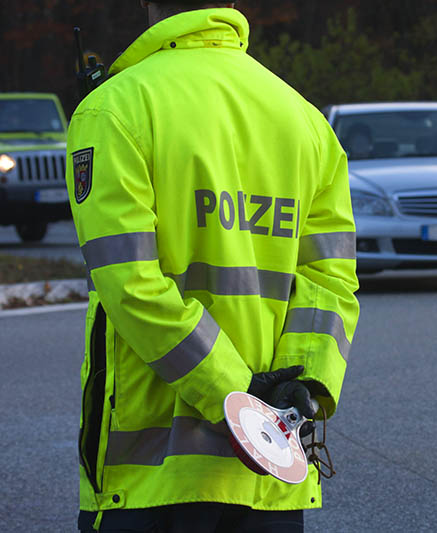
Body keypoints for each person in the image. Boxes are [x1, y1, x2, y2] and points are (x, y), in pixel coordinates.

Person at [67, 2, 359, 531]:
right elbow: (329, 282)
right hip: (269, 470)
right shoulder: (306, 120)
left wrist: (237, 396)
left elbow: (130, 284)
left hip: (151, 478)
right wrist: (301, 390)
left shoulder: (115, 108)